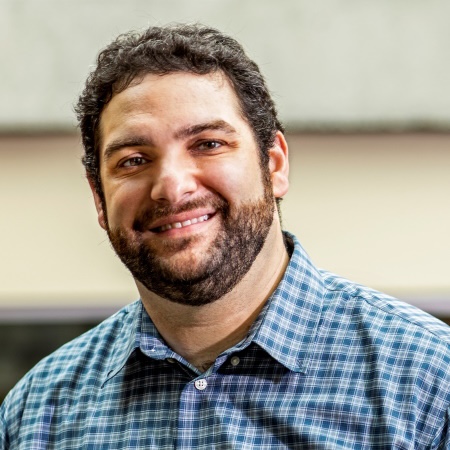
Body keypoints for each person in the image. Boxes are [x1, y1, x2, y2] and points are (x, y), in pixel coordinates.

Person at [1, 23, 450, 449]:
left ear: (274, 165)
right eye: (134, 160)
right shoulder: (38, 412)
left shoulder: (429, 381)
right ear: (99, 198)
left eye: (208, 144)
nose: (171, 187)